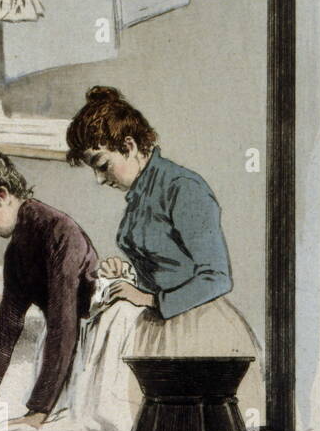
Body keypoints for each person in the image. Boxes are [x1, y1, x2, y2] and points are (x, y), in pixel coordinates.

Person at [65, 86, 264, 414]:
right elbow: (162, 264)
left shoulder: (182, 188)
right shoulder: (140, 196)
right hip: (158, 331)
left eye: (102, 165)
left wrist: (149, 299)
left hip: (200, 332)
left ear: (129, 146)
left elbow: (217, 277)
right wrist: (127, 274)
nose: (100, 179)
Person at [0, 138, 99, 429]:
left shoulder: (60, 232)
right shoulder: (17, 250)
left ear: (2, 195)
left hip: (95, 337)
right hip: (66, 340)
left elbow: (64, 325)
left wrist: (36, 414)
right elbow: (9, 320)